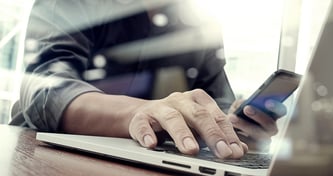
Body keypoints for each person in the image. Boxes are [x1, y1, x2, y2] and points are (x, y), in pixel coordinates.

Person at [10, 0, 284, 159]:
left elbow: (216, 104)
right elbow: (44, 86)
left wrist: (235, 132)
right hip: (43, 156)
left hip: (154, 167)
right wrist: (138, 112)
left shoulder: (204, 24)